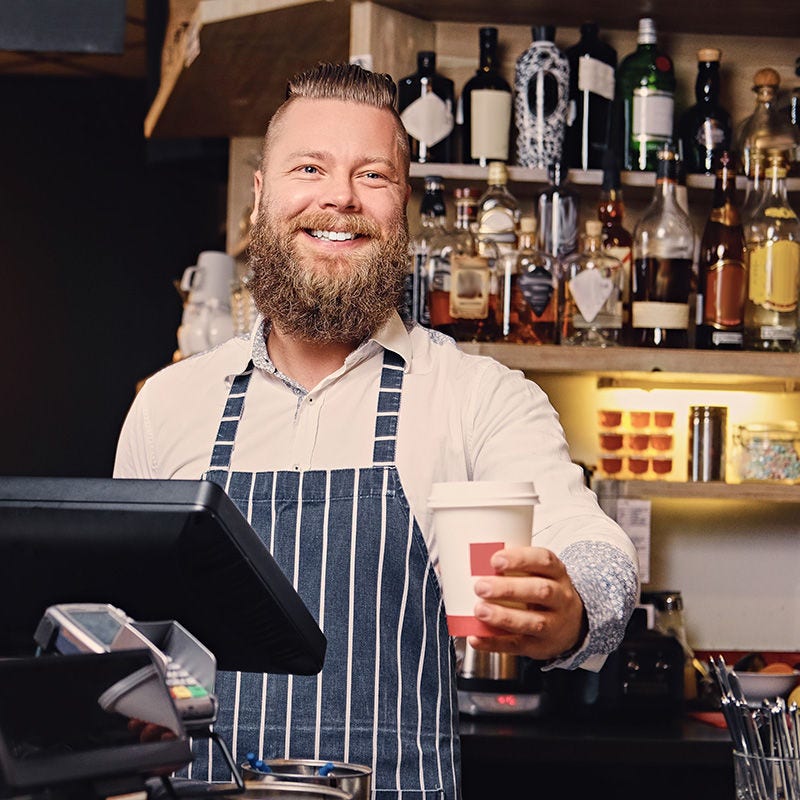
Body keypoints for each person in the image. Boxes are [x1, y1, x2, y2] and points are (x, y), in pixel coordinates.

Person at [114, 62, 639, 800]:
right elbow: (126, 636)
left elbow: (588, 540)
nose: (339, 196)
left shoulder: (476, 396)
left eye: (373, 176)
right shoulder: (169, 406)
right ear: (261, 196)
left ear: (404, 210)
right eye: (309, 167)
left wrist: (573, 605)